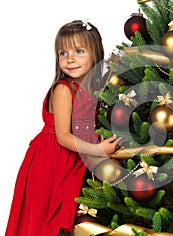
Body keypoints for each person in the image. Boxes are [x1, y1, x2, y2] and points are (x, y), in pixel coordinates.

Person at [5, 20, 122, 236]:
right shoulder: (64, 90)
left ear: (95, 53)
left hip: (77, 157)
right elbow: (63, 137)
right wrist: (98, 150)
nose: (70, 59)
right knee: (47, 217)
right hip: (53, 160)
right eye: (63, 53)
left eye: (79, 51)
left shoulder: (97, 87)